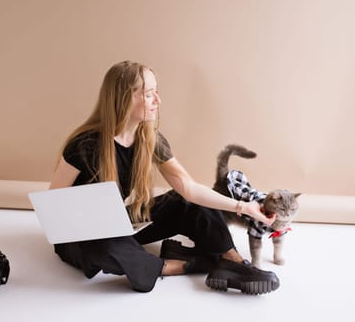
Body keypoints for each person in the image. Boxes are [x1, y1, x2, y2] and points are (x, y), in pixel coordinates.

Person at [49, 60, 280, 294]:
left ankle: (232, 262)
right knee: (105, 244)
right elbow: (53, 209)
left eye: (156, 93)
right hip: (83, 237)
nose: (157, 101)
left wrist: (244, 207)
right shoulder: (85, 145)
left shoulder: (150, 138)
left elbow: (188, 188)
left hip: (119, 221)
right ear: (124, 98)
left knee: (187, 201)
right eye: (149, 94)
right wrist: (95, 228)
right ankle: (182, 264)